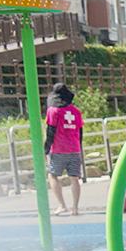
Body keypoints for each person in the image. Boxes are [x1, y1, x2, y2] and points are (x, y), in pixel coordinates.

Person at [45, 83, 85, 216]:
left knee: (52, 176)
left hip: (58, 149)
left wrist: (45, 149)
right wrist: (79, 147)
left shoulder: (53, 110)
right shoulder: (76, 111)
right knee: (74, 178)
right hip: (74, 148)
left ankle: (62, 205)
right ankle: (75, 208)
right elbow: (80, 132)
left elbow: (51, 130)